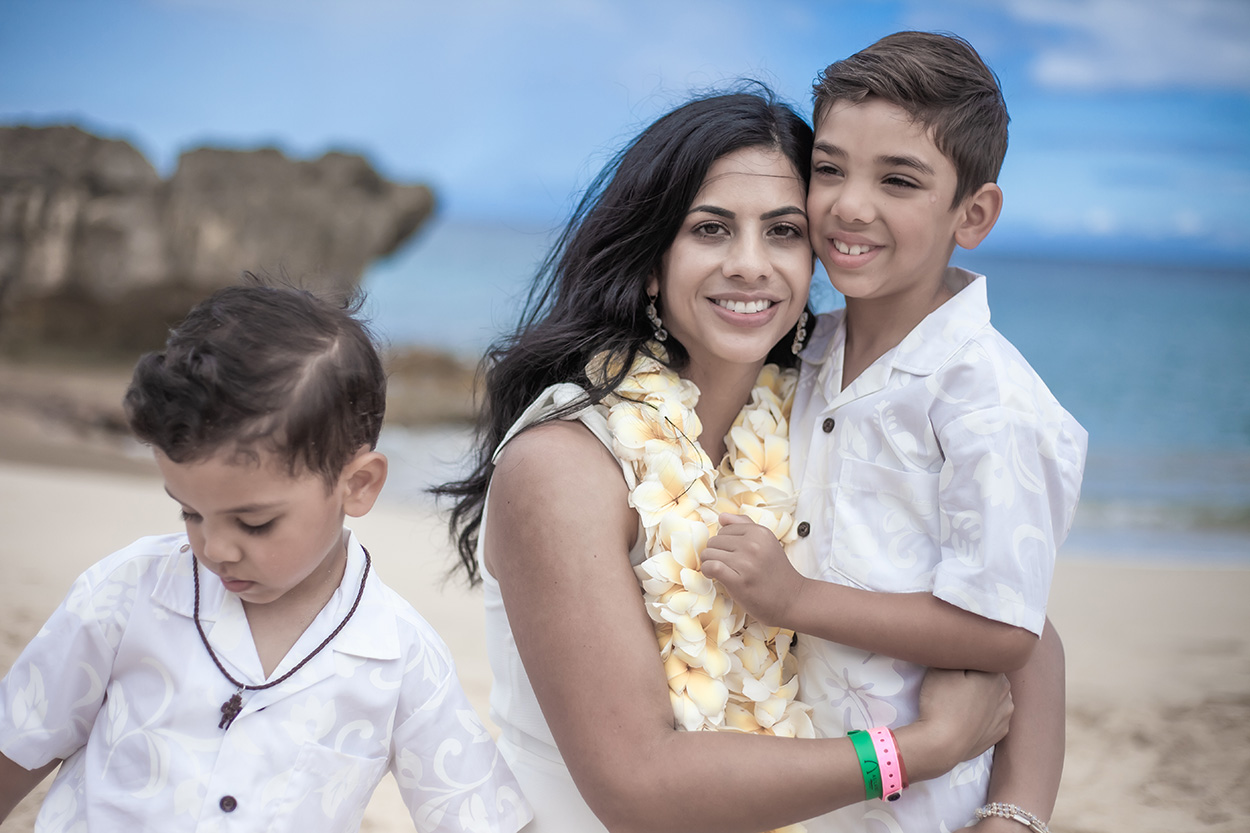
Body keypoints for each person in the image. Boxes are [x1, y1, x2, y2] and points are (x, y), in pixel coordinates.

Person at [438, 89, 1051, 833]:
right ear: (651, 261)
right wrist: (920, 749)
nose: (750, 265)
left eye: (784, 231)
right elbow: (640, 785)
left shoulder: (819, 415)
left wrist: (1014, 818)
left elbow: (1015, 623)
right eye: (711, 229)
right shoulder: (564, 461)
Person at [700, 33, 1087, 832]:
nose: (849, 204)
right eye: (831, 168)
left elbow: (1010, 629)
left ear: (972, 213)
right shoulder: (802, 351)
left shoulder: (993, 404)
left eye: (899, 180)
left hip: (919, 808)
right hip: (787, 781)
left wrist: (796, 598)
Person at [0, 283, 532, 832]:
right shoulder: (125, 593)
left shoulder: (399, 655)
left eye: (254, 523)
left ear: (358, 485)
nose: (215, 548)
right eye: (190, 512)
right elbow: (17, 744)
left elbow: (478, 817)